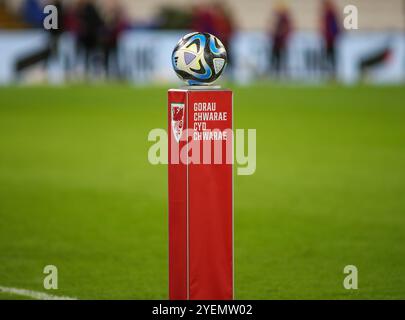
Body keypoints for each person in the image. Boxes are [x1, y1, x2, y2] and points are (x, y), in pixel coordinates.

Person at [269, 3, 292, 78]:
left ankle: (282, 74)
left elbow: (287, 29)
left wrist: (281, 35)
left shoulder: (284, 18)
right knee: (275, 58)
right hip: (276, 42)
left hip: (281, 42)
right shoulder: (278, 18)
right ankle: (275, 73)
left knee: (281, 59)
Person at [320, 0, 340, 77]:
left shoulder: (330, 14)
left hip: (330, 39)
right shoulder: (329, 14)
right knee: (330, 57)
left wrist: (330, 36)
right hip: (329, 39)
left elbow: (332, 28)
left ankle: (332, 73)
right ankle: (331, 73)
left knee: (330, 56)